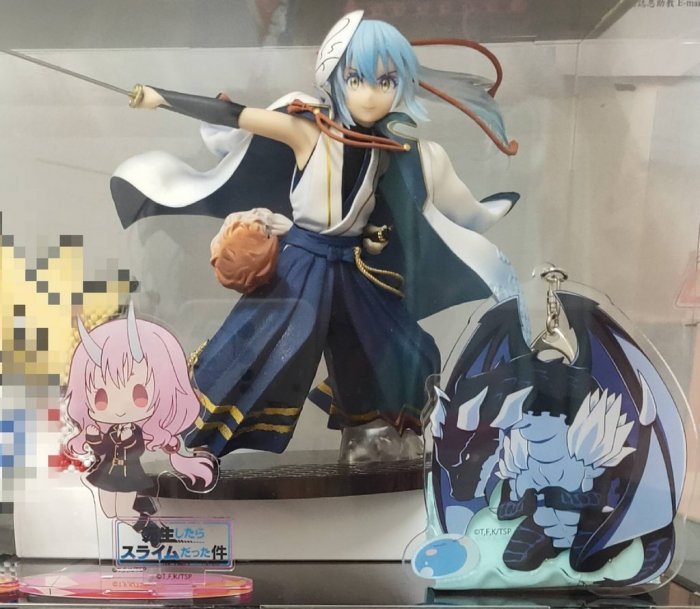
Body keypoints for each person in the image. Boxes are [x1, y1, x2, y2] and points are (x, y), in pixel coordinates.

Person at [110, 11, 522, 458]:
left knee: (399, 348)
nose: (370, 95)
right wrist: (160, 98)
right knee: (253, 346)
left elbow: (404, 207)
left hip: (352, 269)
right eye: (356, 79)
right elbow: (237, 115)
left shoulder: (388, 150)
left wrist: (381, 236)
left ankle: (370, 434)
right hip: (303, 263)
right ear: (334, 77)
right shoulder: (307, 130)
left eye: (385, 82)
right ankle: (191, 433)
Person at [64, 304, 216, 543]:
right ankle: (145, 506)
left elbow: (136, 447)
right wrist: (92, 437)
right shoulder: (110, 430)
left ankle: (153, 530)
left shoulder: (135, 431)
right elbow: (103, 448)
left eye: (138, 394)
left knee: (123, 512)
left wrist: (126, 440)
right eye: (101, 397)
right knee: (110, 512)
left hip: (128, 475)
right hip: (107, 473)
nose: (119, 409)